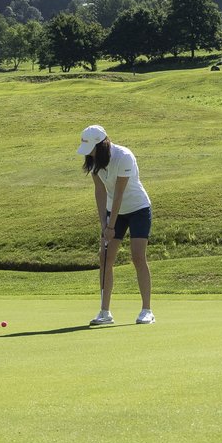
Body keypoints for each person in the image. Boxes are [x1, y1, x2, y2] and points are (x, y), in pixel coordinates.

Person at [78, 125, 154, 325]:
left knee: (138, 257)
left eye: (92, 149)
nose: (89, 154)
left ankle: (147, 310)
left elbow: (120, 193)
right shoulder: (94, 160)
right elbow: (100, 192)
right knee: (105, 258)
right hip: (114, 211)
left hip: (138, 208)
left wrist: (111, 227)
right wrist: (104, 223)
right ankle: (105, 312)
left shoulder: (124, 156)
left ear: (101, 144)